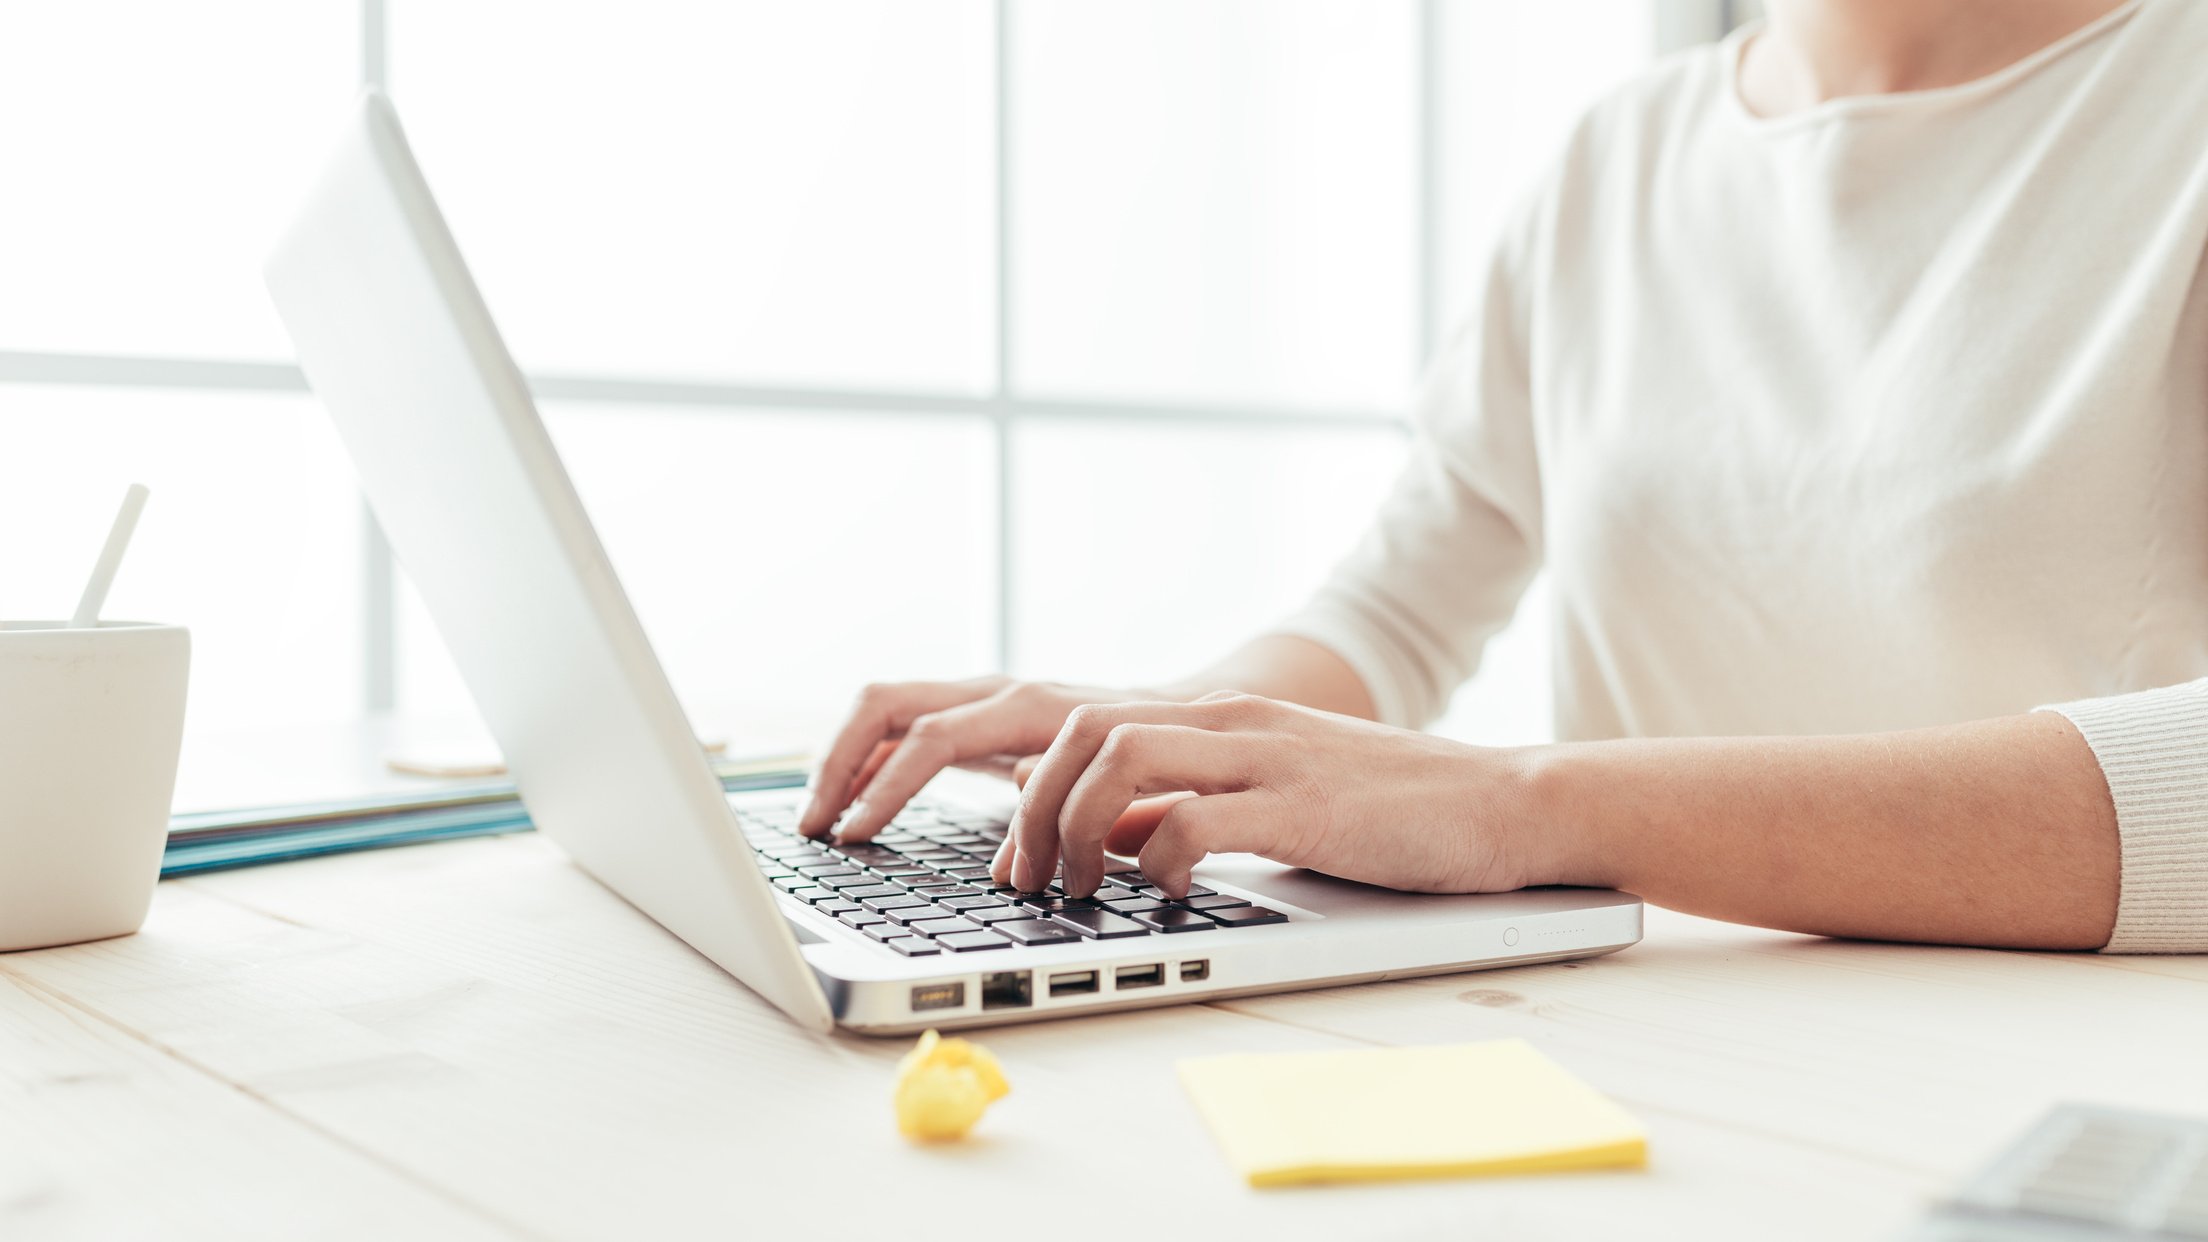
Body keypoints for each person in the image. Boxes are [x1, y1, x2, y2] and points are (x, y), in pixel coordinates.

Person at [800, 0, 2208, 954]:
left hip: (2043, 1092)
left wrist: (1531, 805)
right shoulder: (1623, 155)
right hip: (1636, 1053)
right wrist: (1158, 733)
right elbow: (1398, 614)